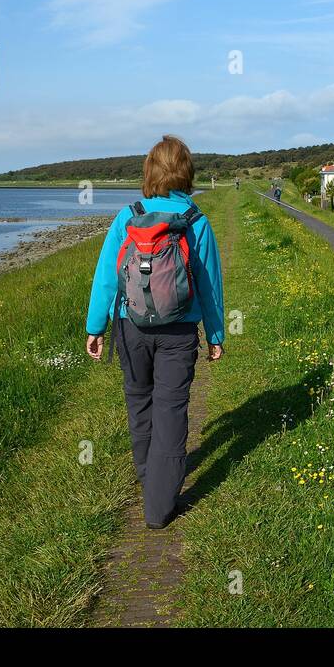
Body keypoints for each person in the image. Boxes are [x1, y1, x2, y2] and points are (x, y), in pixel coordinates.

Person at [85, 135, 225, 529]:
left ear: (149, 172)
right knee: (170, 409)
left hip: (131, 328)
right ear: (186, 173)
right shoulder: (196, 220)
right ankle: (160, 505)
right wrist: (215, 334)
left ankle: (151, 480)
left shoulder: (128, 216)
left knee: (139, 402)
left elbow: (107, 279)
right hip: (179, 332)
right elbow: (210, 284)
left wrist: (96, 327)